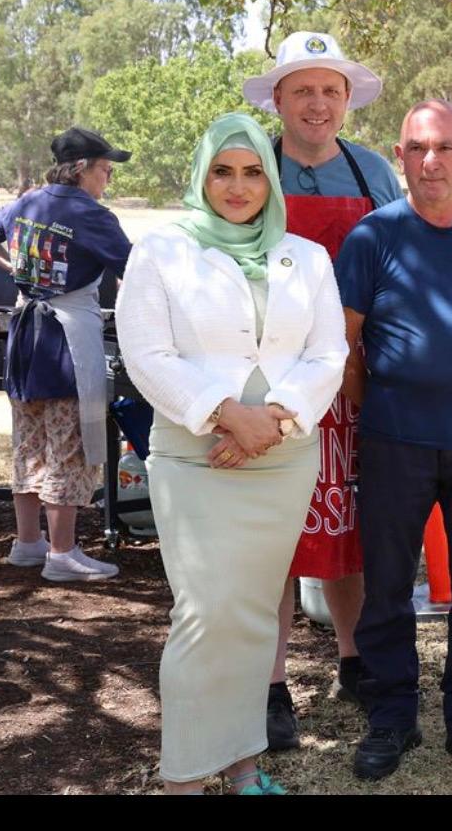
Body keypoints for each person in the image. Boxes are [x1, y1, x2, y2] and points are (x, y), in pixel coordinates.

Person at [115, 112, 347, 794]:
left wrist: (272, 420)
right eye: (222, 171)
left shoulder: (307, 257)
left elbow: (328, 352)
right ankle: (185, 778)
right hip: (196, 455)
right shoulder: (160, 251)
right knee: (204, 613)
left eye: (252, 173)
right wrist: (227, 415)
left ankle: (243, 765)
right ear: (201, 176)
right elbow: (147, 354)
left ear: (270, 180)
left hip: (281, 457)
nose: (237, 186)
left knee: (252, 613)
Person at [336, 100, 452, 781]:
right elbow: (345, 348)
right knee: (387, 586)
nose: (431, 160)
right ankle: (392, 716)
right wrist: (398, 400)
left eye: (445, 147)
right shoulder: (371, 239)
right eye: (417, 148)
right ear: (401, 157)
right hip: (394, 441)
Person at [242, 30, 401, 749]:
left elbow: (400, 268)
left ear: (347, 100)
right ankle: (271, 683)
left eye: (330, 90)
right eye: (302, 89)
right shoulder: (252, 167)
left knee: (350, 525)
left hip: (356, 379)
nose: (317, 103)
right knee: (274, 531)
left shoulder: (374, 173)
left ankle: (355, 660)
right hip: (270, 381)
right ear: (278, 99)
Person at [0, 127, 132, 583]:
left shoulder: (27, 203)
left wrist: (14, 269)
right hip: (65, 342)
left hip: (25, 337)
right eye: (105, 169)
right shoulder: (92, 215)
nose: (108, 178)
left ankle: (28, 543)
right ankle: (62, 554)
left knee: (29, 443)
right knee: (68, 445)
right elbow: (133, 268)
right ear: (81, 169)